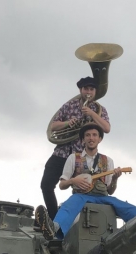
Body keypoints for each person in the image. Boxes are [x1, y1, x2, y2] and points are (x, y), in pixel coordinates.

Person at [36, 124, 136, 254]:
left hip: (103, 197)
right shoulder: (74, 158)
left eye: (94, 135)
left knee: (132, 210)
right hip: (81, 195)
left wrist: (115, 179)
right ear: (82, 140)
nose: (91, 138)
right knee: (69, 205)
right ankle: (52, 228)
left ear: (100, 139)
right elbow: (62, 185)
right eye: (87, 135)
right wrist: (74, 180)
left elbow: (110, 190)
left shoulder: (108, 161)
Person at [41, 76, 110, 220]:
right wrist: (67, 123)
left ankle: (81, 223)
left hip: (82, 157)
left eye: (91, 89)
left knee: (86, 191)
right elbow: (53, 126)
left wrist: (91, 114)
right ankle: (54, 220)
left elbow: (106, 128)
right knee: (46, 184)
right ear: (81, 90)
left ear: (95, 91)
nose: (88, 92)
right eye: (86, 89)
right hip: (62, 153)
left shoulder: (100, 110)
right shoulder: (69, 106)